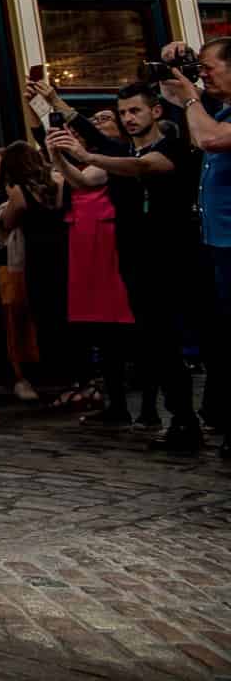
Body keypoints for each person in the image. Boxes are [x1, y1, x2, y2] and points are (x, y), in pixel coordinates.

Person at [44, 79, 202, 451]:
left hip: (175, 256)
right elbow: (85, 169)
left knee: (189, 341)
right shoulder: (119, 151)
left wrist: (88, 155)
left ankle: (194, 416)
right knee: (156, 344)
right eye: (124, 112)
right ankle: (181, 420)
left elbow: (142, 166)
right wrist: (53, 105)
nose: (128, 118)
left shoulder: (172, 147)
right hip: (134, 259)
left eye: (136, 111)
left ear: (156, 111)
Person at [153, 39, 231, 457]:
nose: (204, 75)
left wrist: (188, 100)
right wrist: (175, 74)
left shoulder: (216, 120)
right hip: (217, 241)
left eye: (209, 67)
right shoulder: (216, 107)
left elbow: (210, 139)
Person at [44, 122, 136, 427]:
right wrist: (56, 157)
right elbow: (69, 187)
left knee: (116, 325)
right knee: (97, 326)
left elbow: (83, 180)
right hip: (83, 238)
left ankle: (134, 404)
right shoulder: (84, 162)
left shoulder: (108, 159)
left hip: (104, 240)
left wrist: (65, 157)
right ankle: (112, 399)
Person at [0, 140, 60, 405]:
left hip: (24, 258)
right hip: (53, 253)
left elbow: (12, 215)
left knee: (18, 318)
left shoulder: (16, 187)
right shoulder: (52, 184)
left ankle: (26, 374)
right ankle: (55, 372)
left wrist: (2, 216)